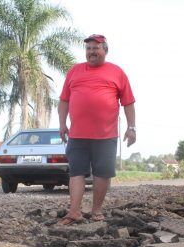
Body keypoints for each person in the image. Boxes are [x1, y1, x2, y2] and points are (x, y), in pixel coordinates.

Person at [57, 33, 136, 225]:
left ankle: (96, 211)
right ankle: (74, 211)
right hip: (77, 134)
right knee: (76, 172)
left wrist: (131, 127)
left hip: (106, 135)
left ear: (105, 51)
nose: (92, 52)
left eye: (96, 48)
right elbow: (64, 100)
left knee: (102, 173)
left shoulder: (117, 72)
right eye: (88, 48)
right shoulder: (75, 71)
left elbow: (128, 103)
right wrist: (62, 124)